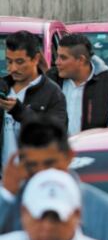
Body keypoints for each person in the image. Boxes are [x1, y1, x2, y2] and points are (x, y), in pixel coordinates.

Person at [1, 32, 67, 166]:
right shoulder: (3, 87)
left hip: (33, 176)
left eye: (19, 62)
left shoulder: (52, 93)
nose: (12, 68)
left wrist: (19, 111)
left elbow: (54, 137)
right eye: (9, 61)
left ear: (36, 59)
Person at [48, 34, 108, 135]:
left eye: (63, 58)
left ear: (81, 60)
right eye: (57, 56)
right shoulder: (51, 80)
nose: (57, 62)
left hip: (93, 149)